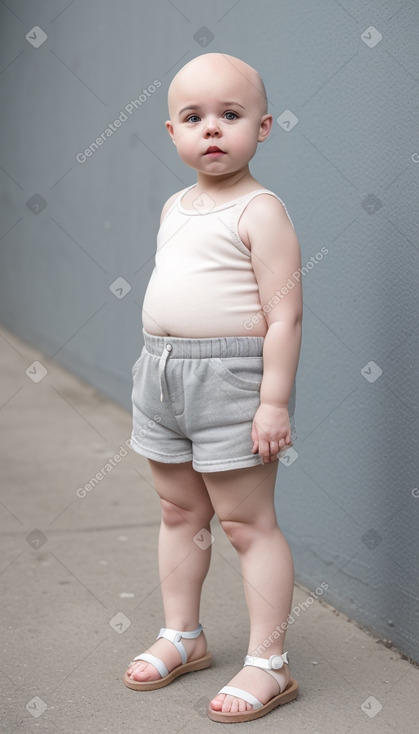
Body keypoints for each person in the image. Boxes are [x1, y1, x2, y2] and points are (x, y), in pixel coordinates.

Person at [123, 52, 302, 723]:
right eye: (194, 117)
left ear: (263, 127)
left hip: (230, 379)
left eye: (230, 115)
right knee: (178, 513)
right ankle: (184, 634)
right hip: (161, 372)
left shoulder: (261, 210)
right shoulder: (175, 205)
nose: (212, 129)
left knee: (244, 522)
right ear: (172, 132)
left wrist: (273, 399)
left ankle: (268, 664)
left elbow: (284, 311)